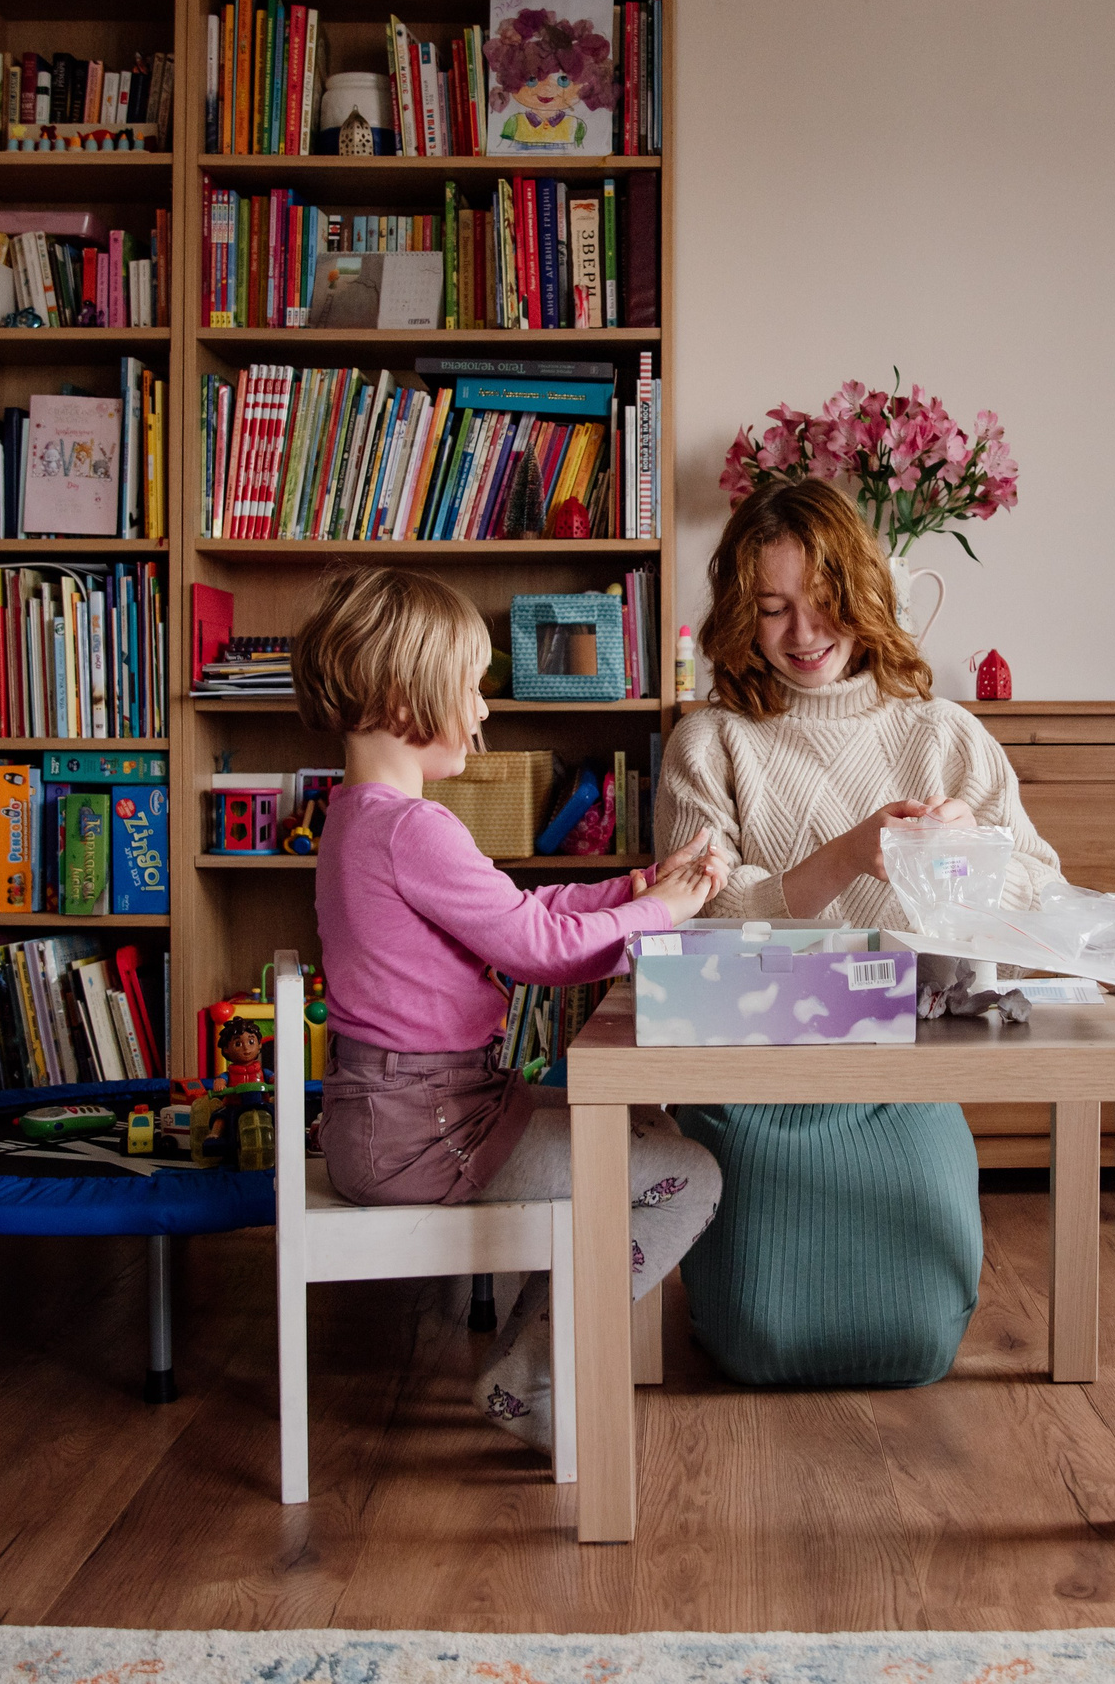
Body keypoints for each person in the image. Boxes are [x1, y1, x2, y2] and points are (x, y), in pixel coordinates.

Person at [298, 565, 729, 1452]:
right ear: (400, 690)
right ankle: (529, 1377)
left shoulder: (356, 817)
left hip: (400, 1117)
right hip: (431, 1130)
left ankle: (534, 1360)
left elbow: (522, 917)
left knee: (636, 1119)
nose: (484, 710)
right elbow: (534, 950)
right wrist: (667, 912)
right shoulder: (411, 828)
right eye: (469, 686)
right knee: (692, 1175)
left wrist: (639, 887)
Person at [653, 477, 1063, 1387]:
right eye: (773, 609)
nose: (803, 634)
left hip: (907, 1085)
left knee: (918, 1334)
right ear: (738, 617)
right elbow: (688, 924)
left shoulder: (944, 735)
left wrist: (978, 851)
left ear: (869, 595)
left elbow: (1046, 893)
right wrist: (845, 855)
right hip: (753, 1090)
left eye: (826, 602)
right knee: (762, 1328)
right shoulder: (709, 742)